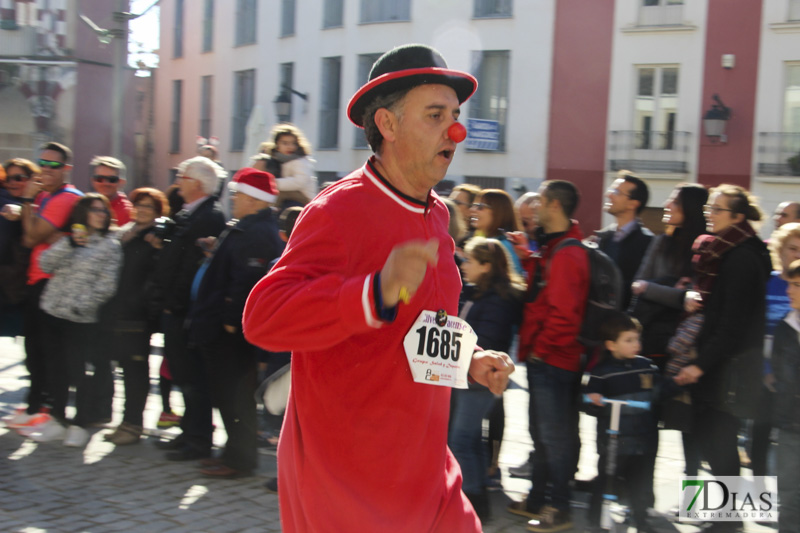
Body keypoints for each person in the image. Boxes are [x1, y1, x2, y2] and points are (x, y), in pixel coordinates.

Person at [242, 44, 515, 532]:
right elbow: (264, 316)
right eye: (435, 115)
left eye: (455, 115)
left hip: (426, 470)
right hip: (349, 481)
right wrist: (373, 292)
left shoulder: (436, 215)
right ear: (387, 125)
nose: (457, 130)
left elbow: (422, 332)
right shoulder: (338, 209)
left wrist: (469, 362)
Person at [674, 184, 771, 533]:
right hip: (724, 366)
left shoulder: (742, 257)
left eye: (717, 210)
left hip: (728, 371)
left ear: (738, 217)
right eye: (709, 209)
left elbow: (733, 324)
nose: (709, 215)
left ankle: (728, 523)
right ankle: (719, 518)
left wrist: (699, 365)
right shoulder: (729, 251)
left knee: (719, 445)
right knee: (712, 443)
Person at [188, 167, 284, 478]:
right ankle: (232, 452)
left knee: (235, 399)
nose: (234, 199)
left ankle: (239, 460)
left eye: (238, 194)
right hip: (221, 329)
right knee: (227, 396)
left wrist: (231, 322)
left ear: (254, 199)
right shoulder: (247, 225)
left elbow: (246, 281)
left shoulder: (257, 231)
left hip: (230, 334)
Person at [508, 180, 590, 533]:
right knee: (542, 434)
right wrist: (529, 259)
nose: (534, 207)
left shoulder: (568, 252)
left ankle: (559, 508)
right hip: (548, 358)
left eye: (540, 201)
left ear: (554, 205)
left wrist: (540, 350)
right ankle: (539, 497)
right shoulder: (554, 246)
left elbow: (564, 315)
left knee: (555, 438)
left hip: (554, 360)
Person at [23, 193, 122, 446]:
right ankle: (57, 419)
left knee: (79, 373)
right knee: (55, 371)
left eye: (103, 210)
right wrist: (69, 245)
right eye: (95, 210)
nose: (101, 214)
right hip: (53, 312)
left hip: (80, 319)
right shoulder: (69, 240)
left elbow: (107, 285)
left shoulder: (110, 246)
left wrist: (81, 307)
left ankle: (79, 424)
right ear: (83, 215)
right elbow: (44, 263)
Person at [4, 143, 84, 432]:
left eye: (52, 165)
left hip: (53, 283)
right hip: (38, 280)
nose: (45, 170)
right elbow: (34, 234)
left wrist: (27, 201)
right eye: (42, 164)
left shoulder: (65, 197)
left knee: (50, 353)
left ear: (65, 169)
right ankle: (37, 406)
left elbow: (30, 237)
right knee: (35, 350)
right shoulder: (47, 198)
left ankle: (51, 412)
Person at [151, 156, 227, 461]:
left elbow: (192, 267)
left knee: (193, 378)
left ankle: (198, 439)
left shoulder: (209, 216)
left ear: (195, 183)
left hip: (185, 311)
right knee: (183, 375)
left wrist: (175, 303)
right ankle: (189, 431)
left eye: (180, 176)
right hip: (176, 308)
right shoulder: (190, 213)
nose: (177, 181)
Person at [451, 236, 524, 520]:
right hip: (465, 376)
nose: (464, 265)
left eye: (470, 260)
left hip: (479, 378)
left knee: (461, 439)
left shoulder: (498, 299)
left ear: (486, 265)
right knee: (469, 439)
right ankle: (476, 494)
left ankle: (473, 501)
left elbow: (488, 339)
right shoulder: (475, 292)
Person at [585, 313, 673, 533]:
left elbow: (659, 390)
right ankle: (596, 519)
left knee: (641, 483)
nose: (636, 344)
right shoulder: (601, 372)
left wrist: (677, 384)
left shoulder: (646, 366)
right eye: (629, 340)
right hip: (615, 439)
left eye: (637, 339)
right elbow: (587, 400)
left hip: (643, 437)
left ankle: (642, 521)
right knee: (607, 478)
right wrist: (593, 400)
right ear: (611, 345)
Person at [102, 187, 169, 445]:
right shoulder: (125, 234)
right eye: (138, 204)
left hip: (138, 315)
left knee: (135, 372)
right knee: (124, 370)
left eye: (148, 207)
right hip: (117, 311)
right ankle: (125, 422)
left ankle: (132, 426)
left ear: (157, 213)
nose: (141, 209)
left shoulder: (156, 239)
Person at [630, 183, 709, 369]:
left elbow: (697, 299)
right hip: (652, 335)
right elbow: (637, 286)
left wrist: (652, 289)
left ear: (691, 208)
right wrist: (677, 294)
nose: (667, 204)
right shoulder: (661, 243)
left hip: (686, 344)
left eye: (675, 201)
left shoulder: (707, 249)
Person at [747, 223, 800, 475]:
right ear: (780, 250)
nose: (797, 254)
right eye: (792, 248)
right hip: (762, 372)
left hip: (791, 377)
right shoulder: (765, 283)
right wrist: (765, 370)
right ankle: (759, 501)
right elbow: (752, 328)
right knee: (759, 436)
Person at [595, 171, 654, 309]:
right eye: (611, 190)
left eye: (616, 192)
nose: (608, 195)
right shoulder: (601, 237)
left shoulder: (648, 243)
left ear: (632, 204)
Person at [772, 259, 800, 533]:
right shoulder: (785, 328)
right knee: (789, 495)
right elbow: (781, 372)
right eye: (790, 284)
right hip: (791, 425)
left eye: (798, 285)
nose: (789, 290)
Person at [0, 158, 38, 337]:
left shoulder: (42, 201)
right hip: (13, 289)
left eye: (19, 177)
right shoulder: (5, 203)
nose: (12, 182)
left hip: (26, 288)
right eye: (9, 179)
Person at [257, 123, 317, 208]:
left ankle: (270, 210)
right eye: (285, 143)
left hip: (304, 196)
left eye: (293, 143)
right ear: (277, 145)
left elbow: (299, 182)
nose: (290, 147)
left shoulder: (300, 160)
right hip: (292, 195)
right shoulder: (278, 159)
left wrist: (273, 182)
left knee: (278, 194)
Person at [470, 188, 525, 276]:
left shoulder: (504, 245)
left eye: (480, 207)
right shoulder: (485, 240)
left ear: (497, 212)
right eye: (473, 205)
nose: (472, 209)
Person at [89, 156, 132, 226]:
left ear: (122, 182)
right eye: (100, 179)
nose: (105, 183)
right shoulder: (86, 204)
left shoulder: (127, 212)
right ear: (93, 181)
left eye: (112, 179)